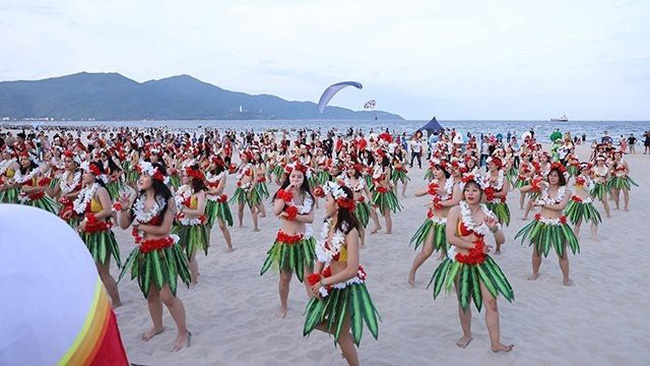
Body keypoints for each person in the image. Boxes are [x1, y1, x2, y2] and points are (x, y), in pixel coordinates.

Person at [429, 177, 514, 352]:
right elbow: (451, 238)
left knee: (491, 302)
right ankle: (466, 334)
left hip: (481, 262)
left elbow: (501, 240)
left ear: (482, 193)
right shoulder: (455, 211)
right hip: (460, 261)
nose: (470, 193)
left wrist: (493, 228)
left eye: (475, 190)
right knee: (464, 300)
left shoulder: (488, 213)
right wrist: (475, 246)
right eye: (467, 190)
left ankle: (495, 343)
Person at [117, 162, 192, 351]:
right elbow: (124, 225)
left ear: (156, 178)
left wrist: (140, 227)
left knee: (167, 295)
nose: (140, 177)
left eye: (145, 174)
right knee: (150, 294)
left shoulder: (168, 201)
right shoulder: (138, 198)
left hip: (163, 251)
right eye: (140, 174)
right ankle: (158, 326)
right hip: (144, 252)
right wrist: (124, 209)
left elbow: (164, 229)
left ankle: (183, 331)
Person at [304, 182, 380, 365]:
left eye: (327, 199)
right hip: (329, 282)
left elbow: (352, 269)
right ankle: (347, 334)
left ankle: (347, 340)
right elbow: (322, 256)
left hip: (347, 286)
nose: (324, 203)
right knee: (314, 322)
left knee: (340, 336)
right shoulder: (328, 225)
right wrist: (317, 276)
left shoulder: (350, 232)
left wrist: (324, 282)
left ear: (337, 204)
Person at [260, 162, 315, 318]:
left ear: (304, 178)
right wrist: (286, 192)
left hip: (304, 241)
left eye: (299, 176)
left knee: (308, 277)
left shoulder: (308, 196)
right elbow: (277, 211)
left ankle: (313, 307)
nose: (296, 179)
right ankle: (283, 305)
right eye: (293, 176)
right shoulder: (282, 193)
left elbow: (310, 219)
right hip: (286, 241)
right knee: (285, 277)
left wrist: (293, 215)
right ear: (288, 177)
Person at [516, 164, 579, 285]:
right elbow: (521, 190)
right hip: (542, 223)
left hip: (558, 225)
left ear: (560, 178)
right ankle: (535, 272)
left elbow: (560, 207)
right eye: (551, 175)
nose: (552, 178)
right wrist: (534, 185)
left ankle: (566, 278)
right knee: (537, 251)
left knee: (562, 253)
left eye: (555, 176)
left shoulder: (566, 192)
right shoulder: (542, 188)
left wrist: (542, 204)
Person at [75, 161, 122, 307]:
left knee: (103, 272)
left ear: (94, 174)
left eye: (86, 172)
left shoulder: (100, 190)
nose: (83, 175)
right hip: (87, 233)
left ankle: (117, 301)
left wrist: (90, 219)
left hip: (100, 234)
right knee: (90, 270)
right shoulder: (85, 191)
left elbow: (108, 210)